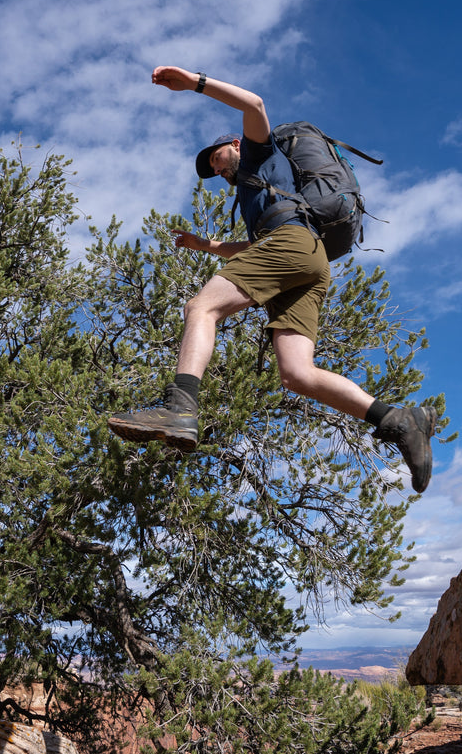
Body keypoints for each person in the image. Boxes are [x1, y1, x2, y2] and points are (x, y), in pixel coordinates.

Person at [107, 66, 437, 492]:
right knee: (297, 374)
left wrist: (196, 83)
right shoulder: (257, 193)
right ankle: (397, 418)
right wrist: (204, 245)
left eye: (216, 158)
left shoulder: (259, 153)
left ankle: (180, 408)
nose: (216, 169)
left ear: (233, 144)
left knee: (201, 307)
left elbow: (254, 103)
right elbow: (255, 250)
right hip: (306, 259)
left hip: (293, 247)